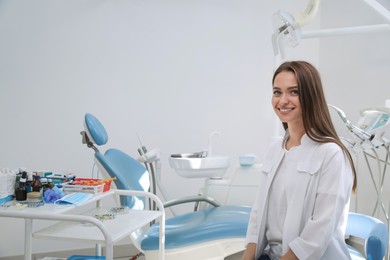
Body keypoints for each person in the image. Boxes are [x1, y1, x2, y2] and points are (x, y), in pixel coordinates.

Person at [242, 61, 356, 260]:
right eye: (277, 92)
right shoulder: (275, 149)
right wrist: (248, 256)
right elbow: (258, 212)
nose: (282, 100)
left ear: (311, 96)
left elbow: (320, 229)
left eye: (293, 92)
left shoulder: (332, 154)